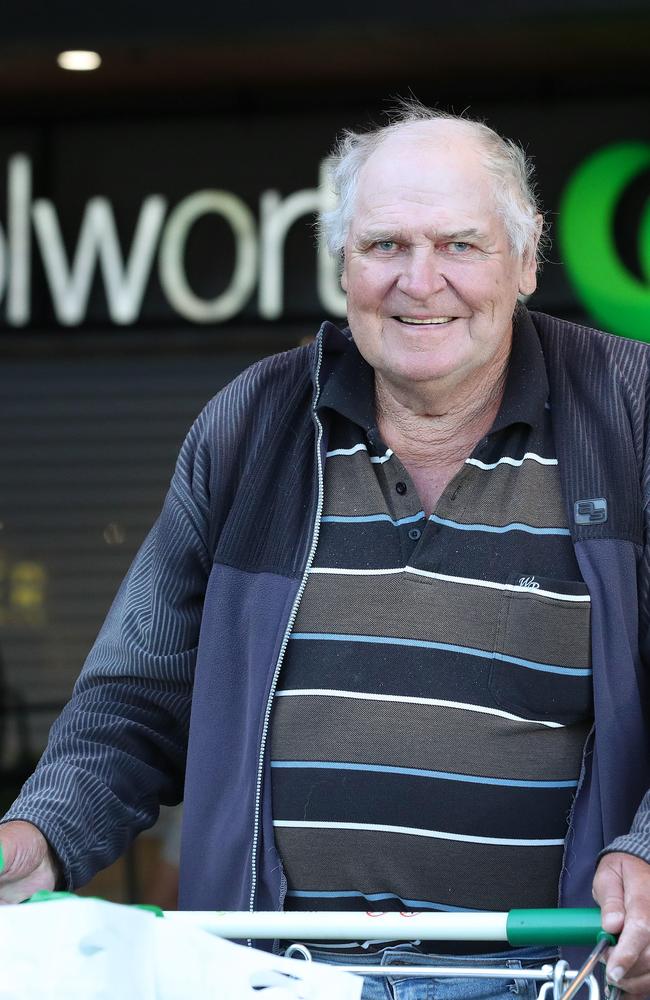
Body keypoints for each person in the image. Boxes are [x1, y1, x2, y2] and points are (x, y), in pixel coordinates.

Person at [1, 100, 650, 999]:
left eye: (460, 245)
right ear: (342, 263)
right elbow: (137, 695)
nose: (420, 281)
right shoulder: (252, 425)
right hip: (277, 976)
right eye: (384, 246)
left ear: (528, 259)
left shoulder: (631, 414)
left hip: (551, 973)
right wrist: (40, 832)